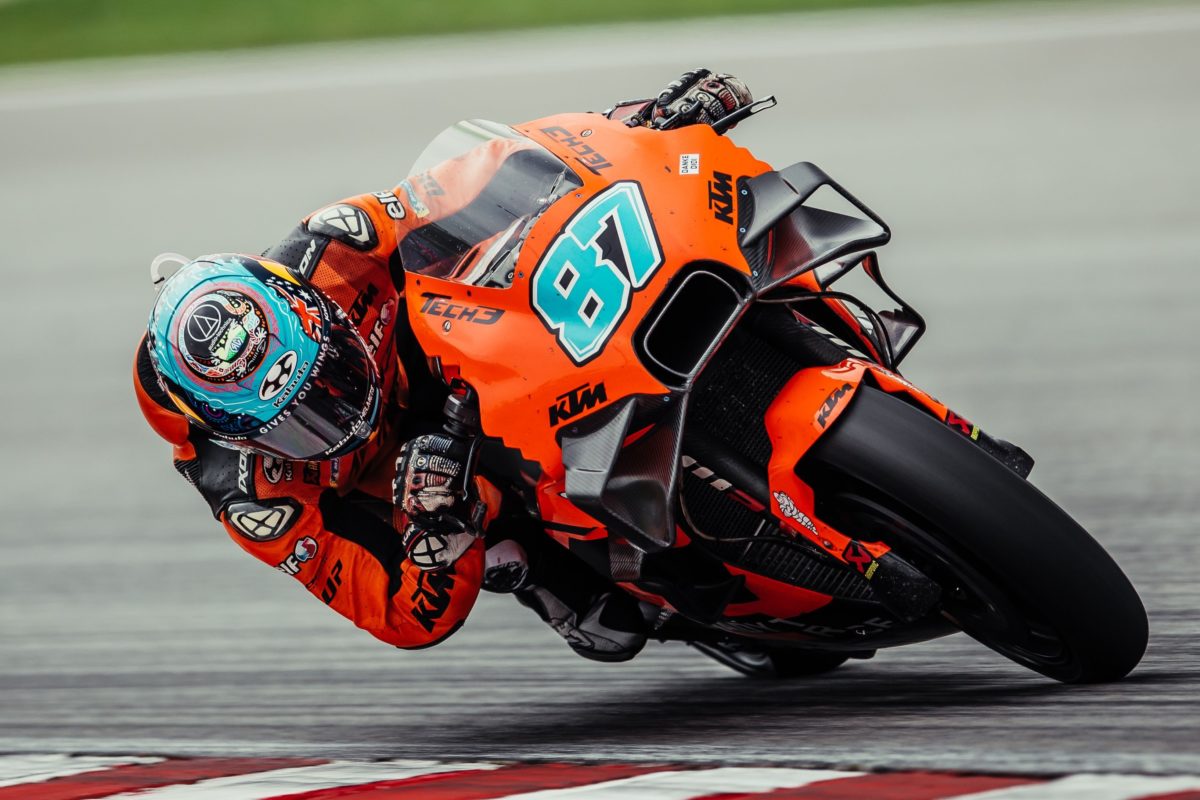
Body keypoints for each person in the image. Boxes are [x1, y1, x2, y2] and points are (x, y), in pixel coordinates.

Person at [134, 69, 754, 660]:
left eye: (330, 374)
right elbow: (400, 616)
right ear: (235, 436)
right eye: (299, 423)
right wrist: (444, 524)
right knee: (604, 622)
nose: (338, 410)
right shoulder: (257, 499)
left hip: (458, 353)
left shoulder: (335, 249)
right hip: (404, 480)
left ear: (316, 308)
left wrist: (633, 126)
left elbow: (486, 176)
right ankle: (537, 568)